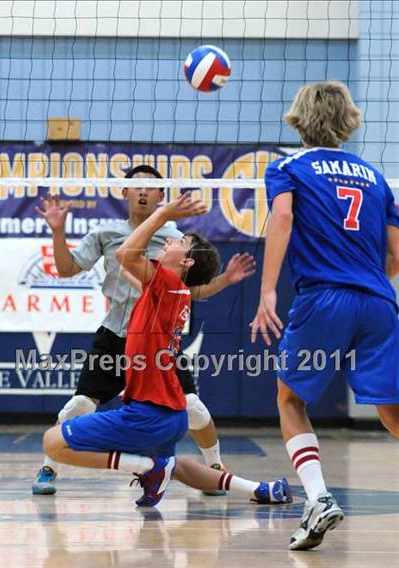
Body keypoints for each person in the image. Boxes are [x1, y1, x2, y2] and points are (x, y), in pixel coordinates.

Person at [43, 193, 292, 507]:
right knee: (181, 468)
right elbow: (130, 272)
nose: (169, 242)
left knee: (52, 442)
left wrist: (163, 214)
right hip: (172, 415)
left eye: (179, 242)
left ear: (186, 262)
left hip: (149, 413)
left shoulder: (166, 284)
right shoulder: (175, 291)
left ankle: (146, 467)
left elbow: (125, 253)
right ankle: (261, 489)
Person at [250, 81, 399, 551]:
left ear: (298, 118)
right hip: (378, 301)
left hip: (324, 298)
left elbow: (283, 219)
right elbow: (395, 254)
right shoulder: (376, 177)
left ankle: (317, 498)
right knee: (392, 410)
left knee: (290, 399)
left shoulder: (288, 167)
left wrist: (268, 289)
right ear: (348, 120)